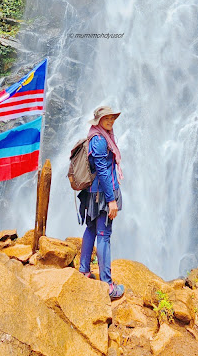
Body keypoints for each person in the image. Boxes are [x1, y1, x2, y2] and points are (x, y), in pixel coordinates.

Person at [78, 105, 125, 300]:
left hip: (93, 193)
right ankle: (107, 285)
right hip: (102, 195)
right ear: (98, 120)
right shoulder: (99, 140)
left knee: (90, 228)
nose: (111, 121)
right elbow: (103, 172)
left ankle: (84, 271)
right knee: (104, 234)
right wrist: (111, 200)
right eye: (107, 118)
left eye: (112, 118)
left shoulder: (99, 136)